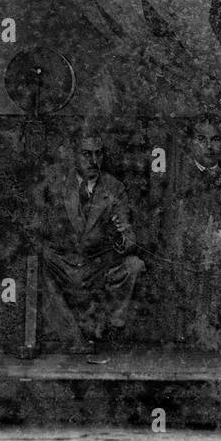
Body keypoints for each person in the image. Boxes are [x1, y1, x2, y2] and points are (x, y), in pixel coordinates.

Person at [35, 131, 144, 355]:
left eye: (98, 154)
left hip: (98, 266)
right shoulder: (56, 185)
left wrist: (122, 237)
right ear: (74, 155)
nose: (93, 161)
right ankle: (72, 336)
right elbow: (38, 228)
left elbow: (129, 236)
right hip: (64, 264)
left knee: (134, 264)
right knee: (40, 258)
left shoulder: (114, 188)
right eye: (86, 154)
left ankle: (111, 330)